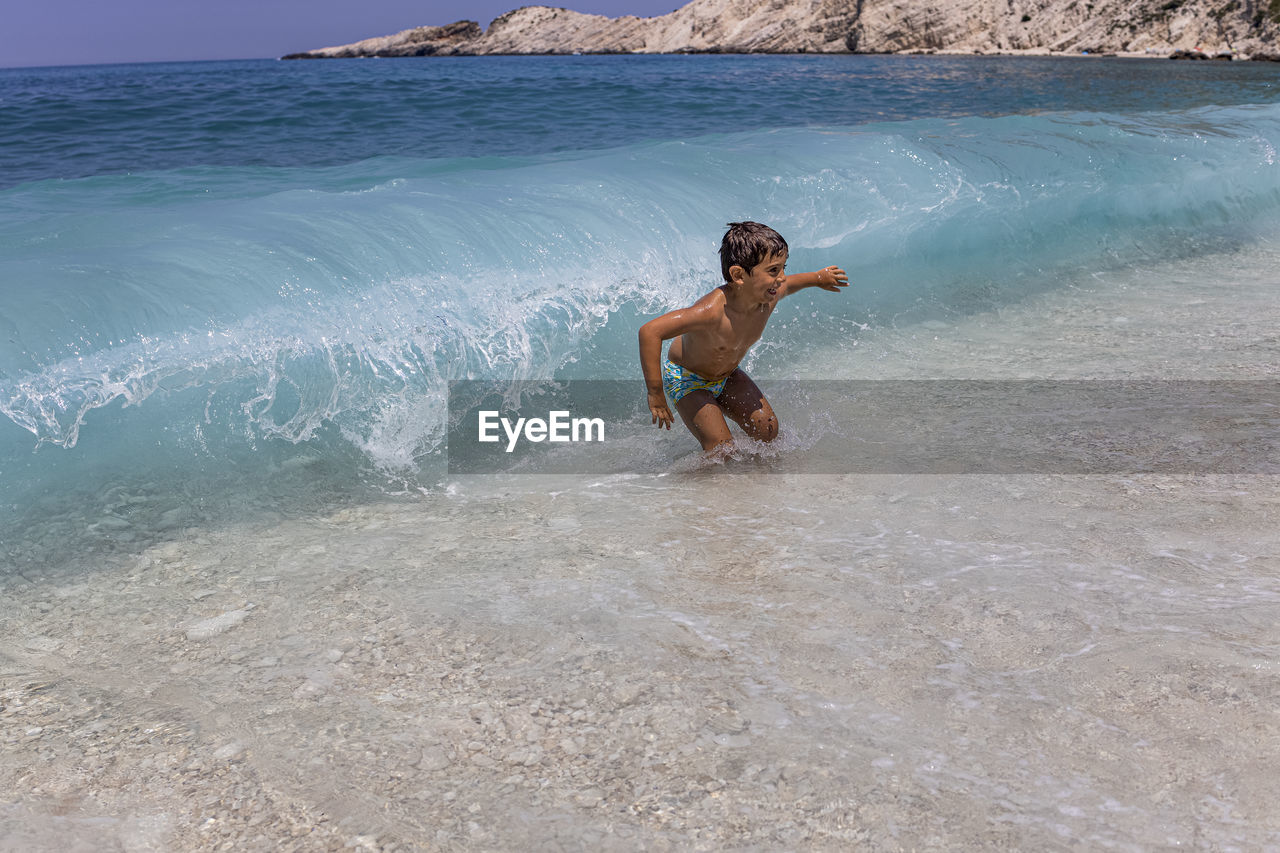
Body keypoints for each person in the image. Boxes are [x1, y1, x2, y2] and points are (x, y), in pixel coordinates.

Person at [638, 221, 848, 454]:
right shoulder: (712, 312)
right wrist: (655, 394)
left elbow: (793, 283)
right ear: (738, 275)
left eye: (783, 267)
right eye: (773, 270)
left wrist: (820, 277)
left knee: (767, 431)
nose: (781, 278)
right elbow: (650, 331)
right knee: (723, 451)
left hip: (727, 376)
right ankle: (698, 477)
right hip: (688, 379)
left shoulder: (769, 295)